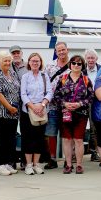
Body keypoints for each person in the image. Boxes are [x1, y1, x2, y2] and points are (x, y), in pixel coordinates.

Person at [53, 54, 93, 174]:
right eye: (74, 63)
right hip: (66, 113)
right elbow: (56, 95)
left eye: (79, 63)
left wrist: (80, 104)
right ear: (70, 64)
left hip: (81, 114)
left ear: (82, 65)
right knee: (66, 140)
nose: (76, 65)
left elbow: (91, 97)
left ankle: (79, 165)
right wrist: (64, 104)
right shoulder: (63, 78)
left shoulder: (86, 80)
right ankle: (68, 164)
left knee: (78, 140)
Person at [20, 53, 52, 175]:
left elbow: (49, 92)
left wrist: (42, 105)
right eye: (33, 61)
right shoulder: (25, 77)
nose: (35, 63)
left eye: (37, 61)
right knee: (28, 138)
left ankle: (36, 164)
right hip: (28, 111)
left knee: (39, 138)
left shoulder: (44, 76)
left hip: (42, 110)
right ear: (29, 62)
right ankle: (28, 165)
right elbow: (23, 94)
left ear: (40, 62)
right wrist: (33, 107)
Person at [0, 51, 21, 176]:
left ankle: (8, 163)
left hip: (14, 113)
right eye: (5, 61)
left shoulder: (13, 73)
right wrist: (9, 107)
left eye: (9, 60)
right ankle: (0, 165)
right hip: (2, 112)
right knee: (2, 138)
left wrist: (14, 109)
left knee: (11, 138)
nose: (8, 63)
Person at [43, 42, 71, 170]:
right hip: (53, 105)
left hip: (67, 106)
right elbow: (45, 83)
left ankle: (68, 160)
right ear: (56, 51)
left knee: (66, 134)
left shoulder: (74, 65)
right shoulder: (49, 66)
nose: (61, 52)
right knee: (51, 133)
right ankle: (52, 159)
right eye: (59, 50)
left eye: (63, 50)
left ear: (67, 50)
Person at [84, 48, 101, 161]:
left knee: (94, 128)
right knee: (81, 127)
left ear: (96, 58)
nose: (91, 60)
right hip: (83, 101)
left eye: (93, 58)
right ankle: (76, 153)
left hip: (97, 102)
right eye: (88, 58)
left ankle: (94, 152)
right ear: (86, 59)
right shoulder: (82, 70)